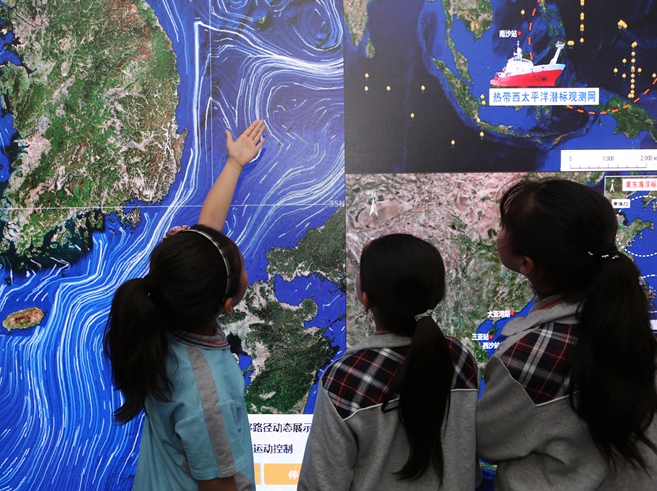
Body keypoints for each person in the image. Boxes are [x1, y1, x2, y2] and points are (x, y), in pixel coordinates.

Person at [477, 178, 657, 490]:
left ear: (526, 263)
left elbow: (488, 441)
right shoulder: (634, 335)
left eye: (505, 226)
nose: (500, 231)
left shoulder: (532, 356)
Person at [103, 120, 265, 491]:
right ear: (227, 305)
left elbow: (208, 241)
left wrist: (234, 164)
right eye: (242, 268)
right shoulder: (209, 396)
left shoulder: (168, 317)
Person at [298, 233, 480, 491]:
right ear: (436, 294)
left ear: (366, 299)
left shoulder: (347, 378)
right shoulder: (460, 358)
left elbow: (321, 483)